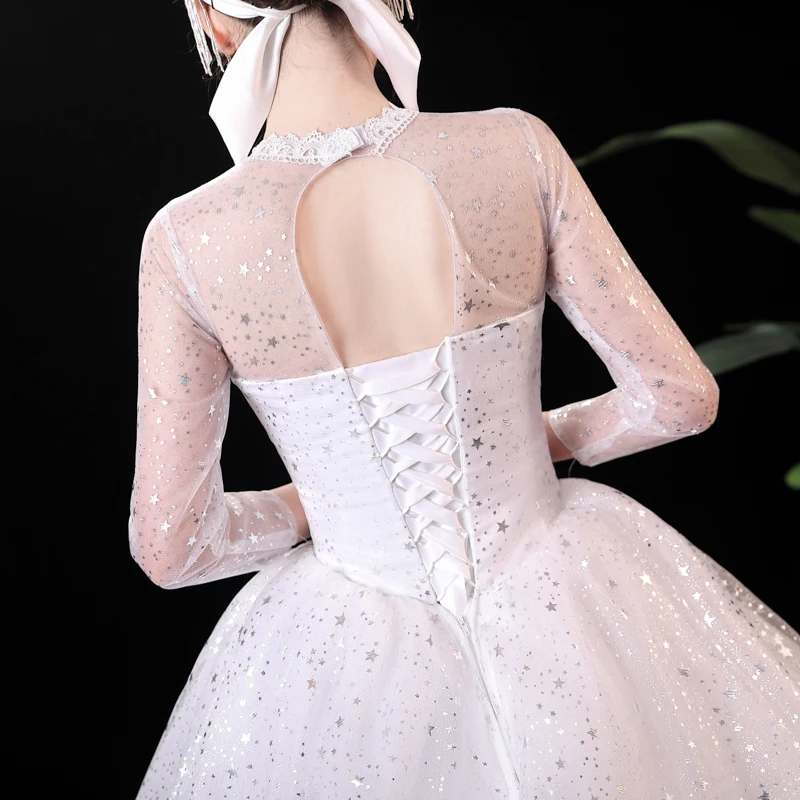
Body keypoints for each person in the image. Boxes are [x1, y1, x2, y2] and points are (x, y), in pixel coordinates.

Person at [129, 1, 799, 797]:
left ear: (210, 17)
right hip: (569, 600)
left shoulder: (186, 239)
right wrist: (523, 441)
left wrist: (321, 503)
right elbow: (677, 398)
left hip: (341, 664)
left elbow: (174, 545)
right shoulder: (515, 145)